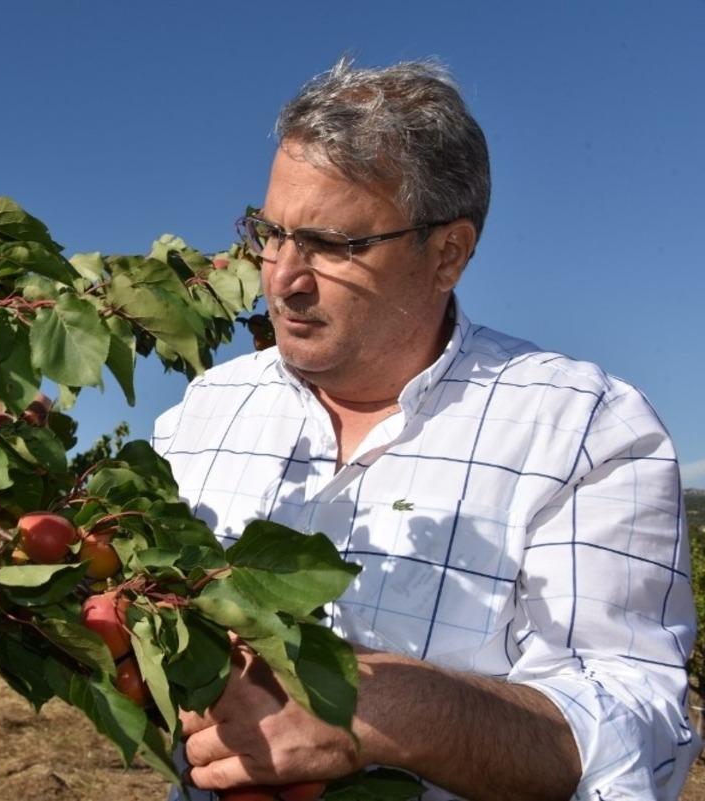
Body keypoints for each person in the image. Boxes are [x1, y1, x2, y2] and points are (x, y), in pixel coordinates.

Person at [152, 58, 699, 800]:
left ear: (447, 253)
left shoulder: (584, 430)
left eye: (334, 243)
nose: (281, 276)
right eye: (270, 232)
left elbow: (639, 727)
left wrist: (396, 708)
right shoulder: (202, 416)